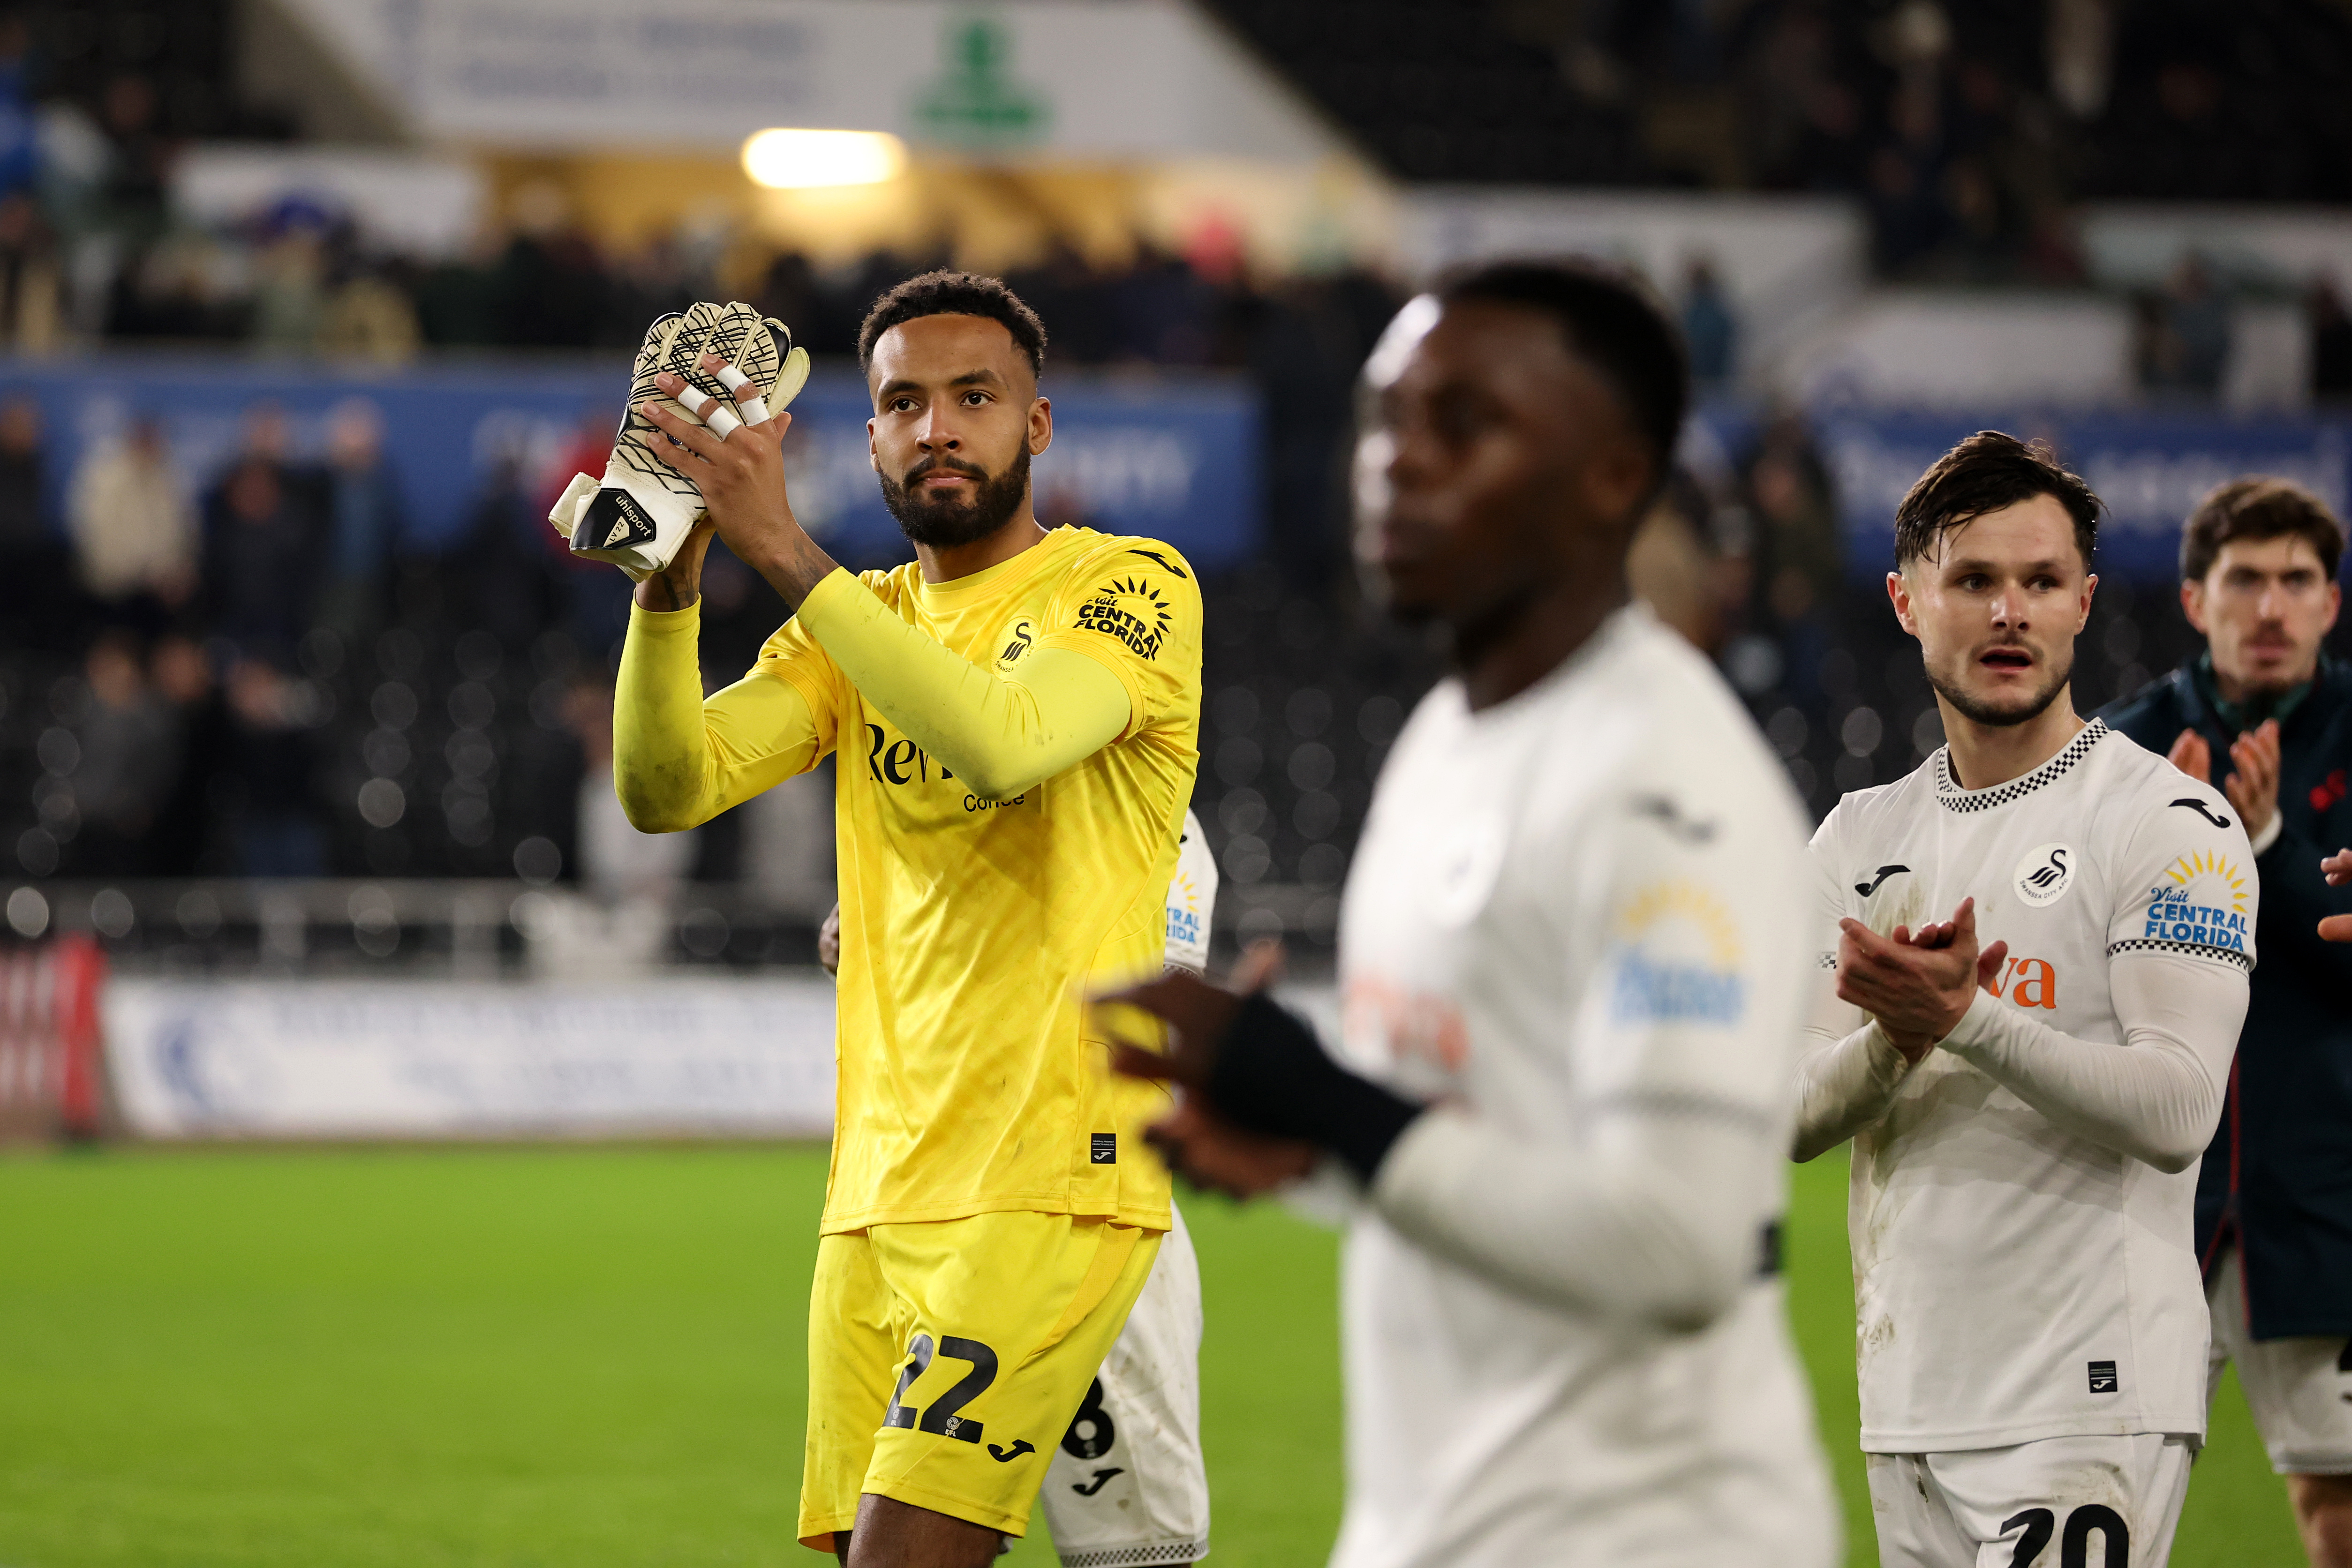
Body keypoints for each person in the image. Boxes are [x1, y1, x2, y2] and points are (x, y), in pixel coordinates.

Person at [1106, 261, 1840, 1567]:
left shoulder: (1664, 786)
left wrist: (1333, 1106)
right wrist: (1309, 1145)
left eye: (1465, 424)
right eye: (1385, 419)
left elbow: (1680, 1244)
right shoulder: (1451, 736)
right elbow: (1476, 1147)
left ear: (1614, 478)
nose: (1397, 462)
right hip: (1448, 1520)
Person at [607, 271, 1202, 1567]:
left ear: (1035, 426)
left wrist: (781, 549)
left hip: (1049, 1176)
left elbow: (1005, 740)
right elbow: (667, 789)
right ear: (870, 435)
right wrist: (668, 588)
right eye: (903, 404)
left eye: (973, 398)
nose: (937, 428)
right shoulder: (856, 626)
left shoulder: (1130, 586)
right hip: (877, 1192)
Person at [1794, 431, 2255, 1568]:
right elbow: (1785, 1113)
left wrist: (1968, 1019)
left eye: (2042, 581)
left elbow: (2179, 1108)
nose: (2009, 611)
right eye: (1973, 580)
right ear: (1906, 601)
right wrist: (1896, 1043)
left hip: (2087, 1396)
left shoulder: (2169, 822)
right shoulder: (1858, 836)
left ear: (2083, 604)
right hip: (1910, 1400)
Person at [815, 807, 1219, 1568]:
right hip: (924, 1198)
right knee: (892, 1527)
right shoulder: (953, 786)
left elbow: (1129, 989)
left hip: (1077, 1204)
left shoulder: (1147, 806)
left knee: (1132, 1550)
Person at [2100, 477, 2352, 1567]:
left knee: (2340, 1506)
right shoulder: (2120, 752)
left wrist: (2266, 845)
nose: (2270, 606)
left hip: (2326, 1192)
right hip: (2150, 1200)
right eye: (2244, 579)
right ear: (2194, 599)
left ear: (2330, 602)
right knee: (2099, 1501)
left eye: (2296, 580)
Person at [68, 411, 196, 631]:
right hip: (111, 590)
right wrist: (146, 575)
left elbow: (185, 538)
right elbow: (95, 543)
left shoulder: (172, 479)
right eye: (143, 439)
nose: (149, 446)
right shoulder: (103, 478)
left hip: (162, 590)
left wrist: (172, 573)